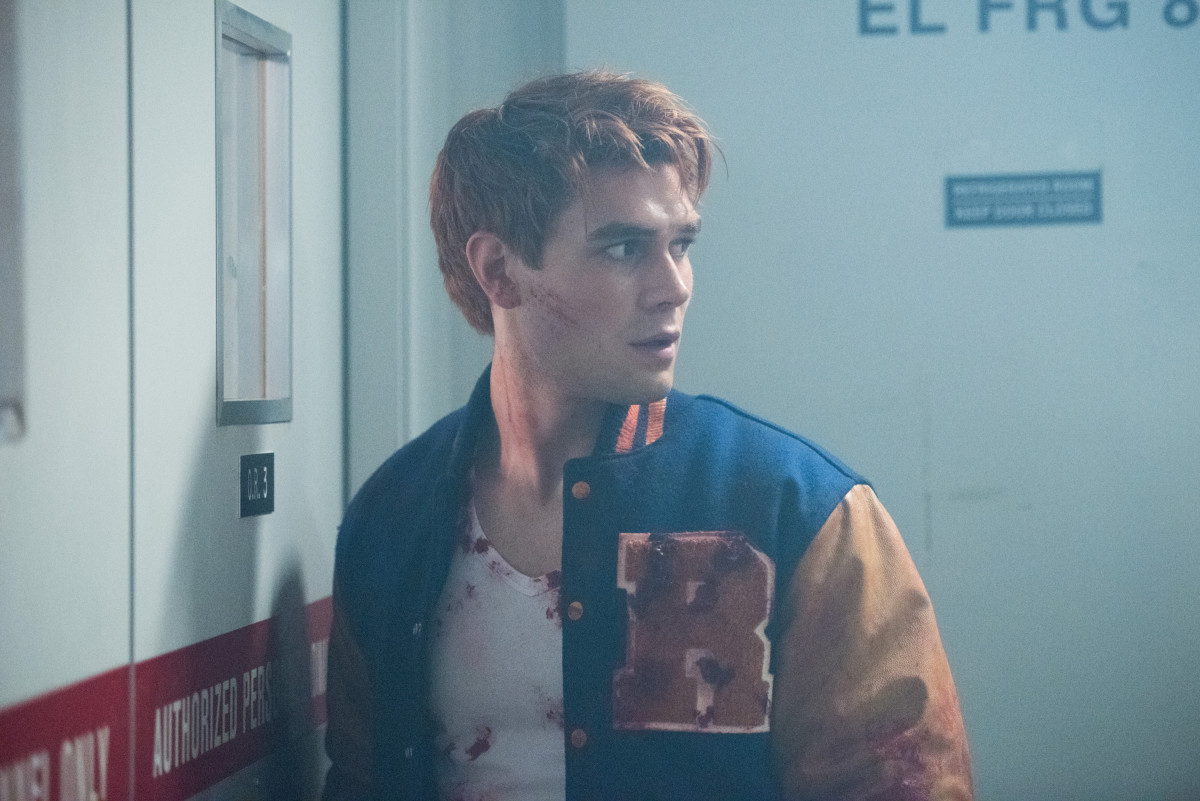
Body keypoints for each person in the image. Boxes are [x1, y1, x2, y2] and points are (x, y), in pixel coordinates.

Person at [323, 70, 973, 801]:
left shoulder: (794, 506)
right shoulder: (395, 514)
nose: (675, 286)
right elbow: (359, 778)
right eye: (624, 248)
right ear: (499, 270)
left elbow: (902, 785)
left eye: (681, 244)